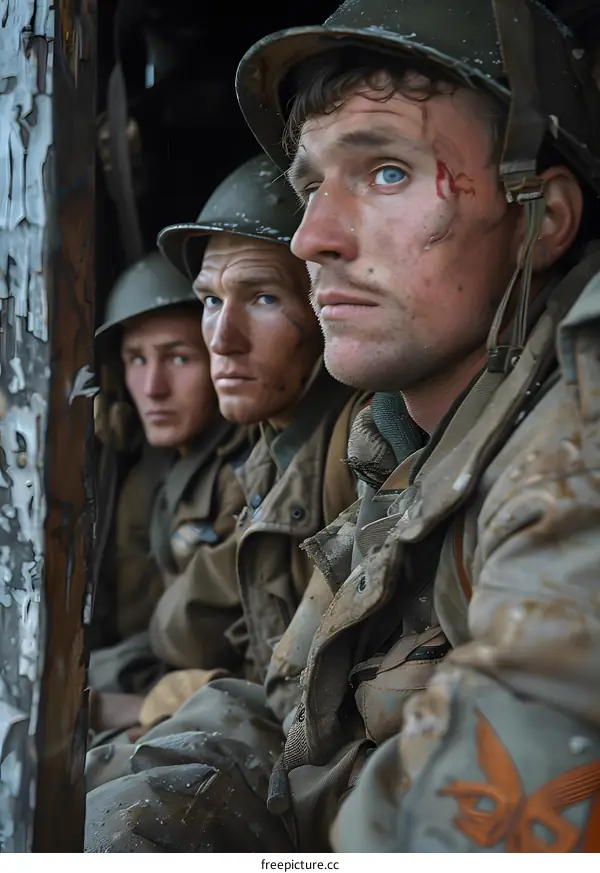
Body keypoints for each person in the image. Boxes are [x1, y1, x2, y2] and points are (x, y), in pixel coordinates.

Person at [86, 0, 600, 852]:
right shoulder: (399, 446)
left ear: (540, 220)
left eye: (388, 172)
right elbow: (284, 719)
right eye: (310, 187)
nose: (315, 237)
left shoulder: (575, 448)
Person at [85, 154, 367, 790]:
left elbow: (317, 714)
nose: (223, 337)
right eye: (210, 302)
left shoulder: (360, 444)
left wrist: (154, 706)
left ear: (332, 299)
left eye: (263, 297)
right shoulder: (277, 450)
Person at [89, 251, 252, 735]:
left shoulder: (247, 473)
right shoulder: (151, 478)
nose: (153, 387)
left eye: (178, 358)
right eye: (136, 360)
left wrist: (135, 707)